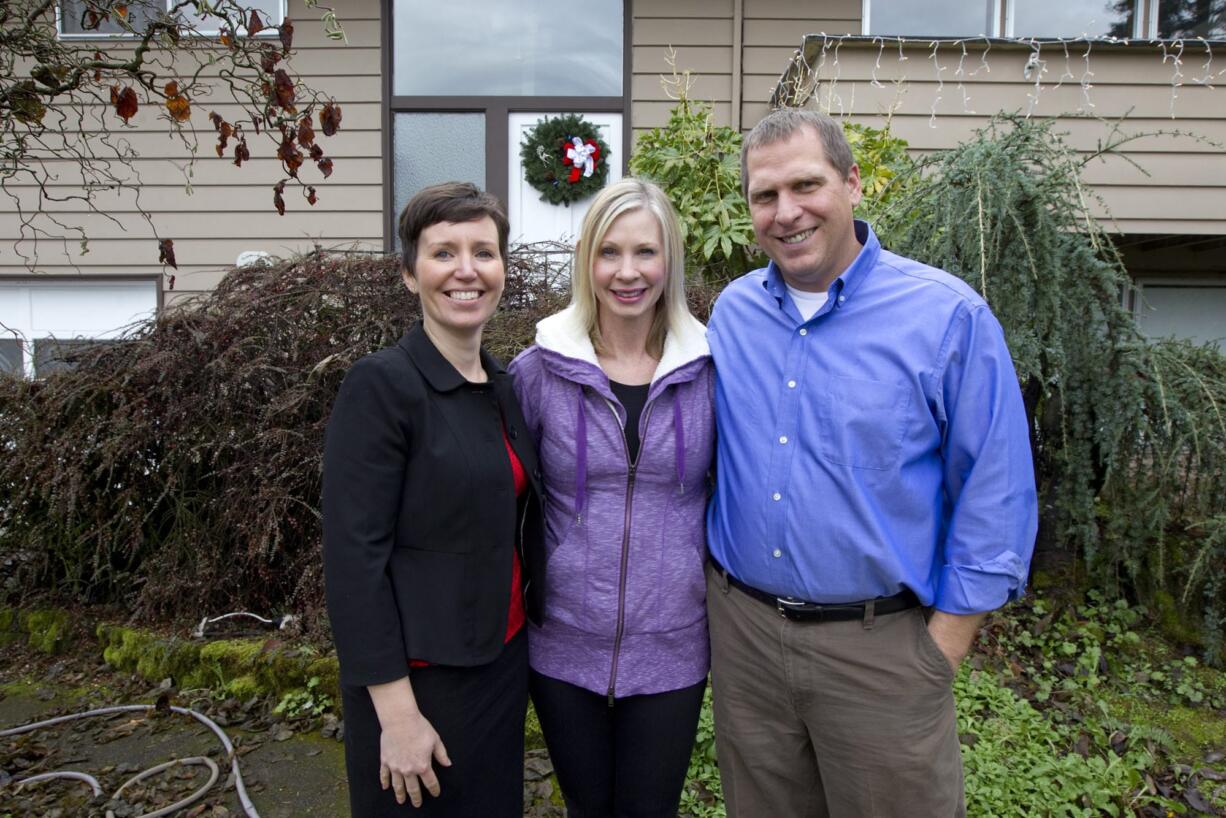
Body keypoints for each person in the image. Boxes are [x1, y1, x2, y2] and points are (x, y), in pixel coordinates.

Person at [705, 108, 1038, 817]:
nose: (786, 212)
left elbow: (995, 492)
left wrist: (938, 652)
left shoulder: (947, 317)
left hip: (880, 649)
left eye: (806, 185)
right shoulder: (732, 315)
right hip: (747, 646)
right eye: (765, 196)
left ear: (852, 183)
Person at [322, 181, 545, 818]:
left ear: (503, 268)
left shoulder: (502, 384)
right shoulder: (382, 387)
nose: (467, 271)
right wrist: (396, 716)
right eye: (444, 253)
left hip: (501, 665)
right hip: (419, 684)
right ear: (409, 273)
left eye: (484, 251)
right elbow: (352, 560)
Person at [509, 177, 715, 818]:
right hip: (562, 641)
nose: (627, 273)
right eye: (609, 253)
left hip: (673, 645)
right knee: (586, 807)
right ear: (586, 261)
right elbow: (501, 500)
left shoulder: (712, 369)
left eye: (645, 253)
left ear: (669, 261)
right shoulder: (537, 372)